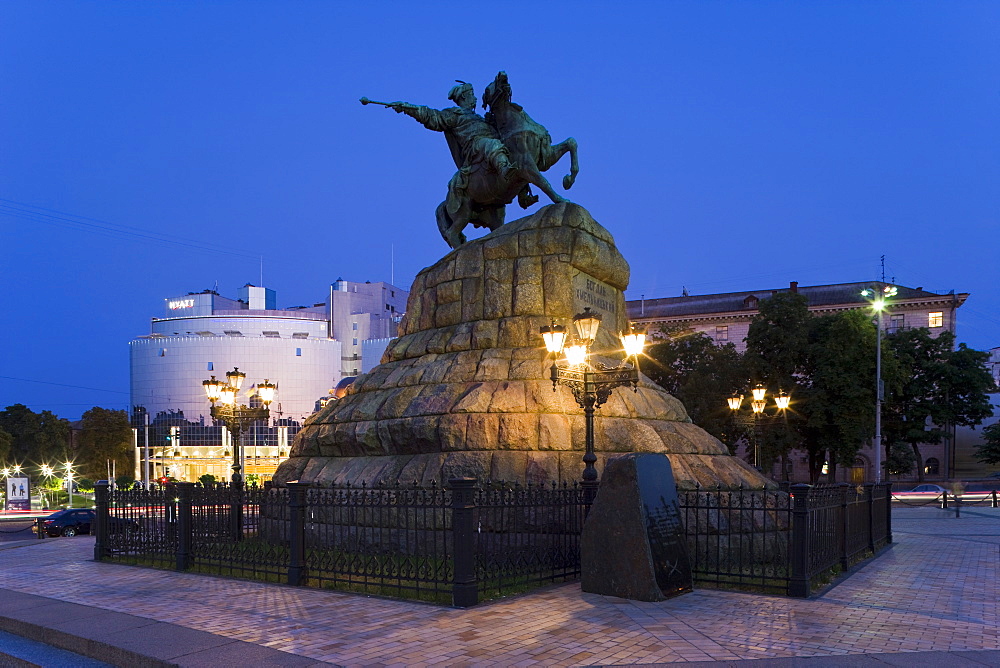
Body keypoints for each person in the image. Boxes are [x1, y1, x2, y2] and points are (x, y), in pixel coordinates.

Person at [389, 81, 517, 179]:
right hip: (476, 147)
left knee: (516, 149)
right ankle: (504, 168)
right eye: (472, 95)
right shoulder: (454, 114)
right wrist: (407, 108)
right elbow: (431, 116)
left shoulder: (479, 117)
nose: (476, 98)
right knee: (492, 144)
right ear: (464, 97)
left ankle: (523, 193)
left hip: (491, 144)